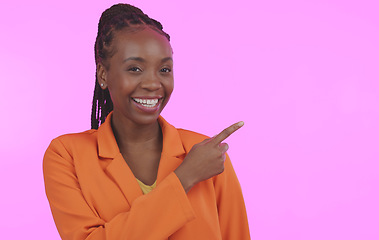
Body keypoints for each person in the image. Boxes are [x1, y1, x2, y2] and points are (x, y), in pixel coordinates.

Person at [43, 3, 250, 240]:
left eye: (164, 69)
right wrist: (185, 177)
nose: (153, 83)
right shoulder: (67, 155)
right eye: (135, 68)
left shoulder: (207, 153)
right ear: (103, 74)